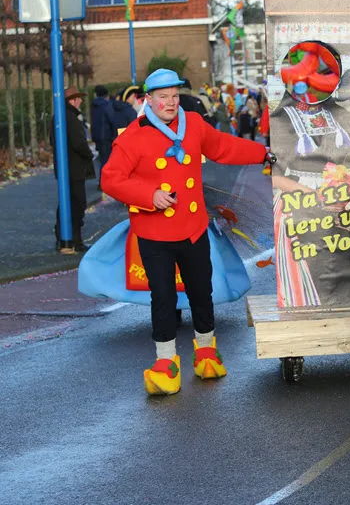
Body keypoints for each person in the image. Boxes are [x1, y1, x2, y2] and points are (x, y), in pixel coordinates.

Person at [102, 68, 272, 396]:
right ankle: (166, 362)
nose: (170, 102)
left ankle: (206, 351)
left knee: (200, 291)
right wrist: (149, 195)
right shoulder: (132, 137)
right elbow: (111, 179)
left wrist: (262, 153)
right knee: (163, 297)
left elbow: (223, 147)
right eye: (162, 97)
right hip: (154, 232)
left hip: (193, 228)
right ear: (148, 99)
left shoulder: (192, 123)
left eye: (174, 96)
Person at [52, 87, 95, 253]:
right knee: (77, 204)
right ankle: (75, 240)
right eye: (78, 98)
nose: (81, 101)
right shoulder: (71, 118)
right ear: (72, 100)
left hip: (66, 168)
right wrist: (89, 154)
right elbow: (79, 143)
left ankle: (63, 238)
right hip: (74, 168)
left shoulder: (59, 117)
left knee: (66, 203)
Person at [90, 85, 114, 183]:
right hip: (107, 136)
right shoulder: (108, 106)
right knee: (107, 160)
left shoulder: (94, 106)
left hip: (97, 136)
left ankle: (102, 181)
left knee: (102, 159)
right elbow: (112, 120)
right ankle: (104, 182)